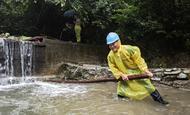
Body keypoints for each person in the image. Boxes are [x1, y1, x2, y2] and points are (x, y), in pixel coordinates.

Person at [106, 32, 169, 105]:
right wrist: (121, 74)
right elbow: (113, 67)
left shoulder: (128, 49)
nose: (112, 46)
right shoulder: (110, 56)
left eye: (113, 44)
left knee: (148, 86)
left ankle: (161, 102)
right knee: (121, 91)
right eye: (110, 45)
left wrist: (145, 70)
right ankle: (122, 106)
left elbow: (138, 60)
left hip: (136, 72)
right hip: (124, 76)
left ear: (118, 41)